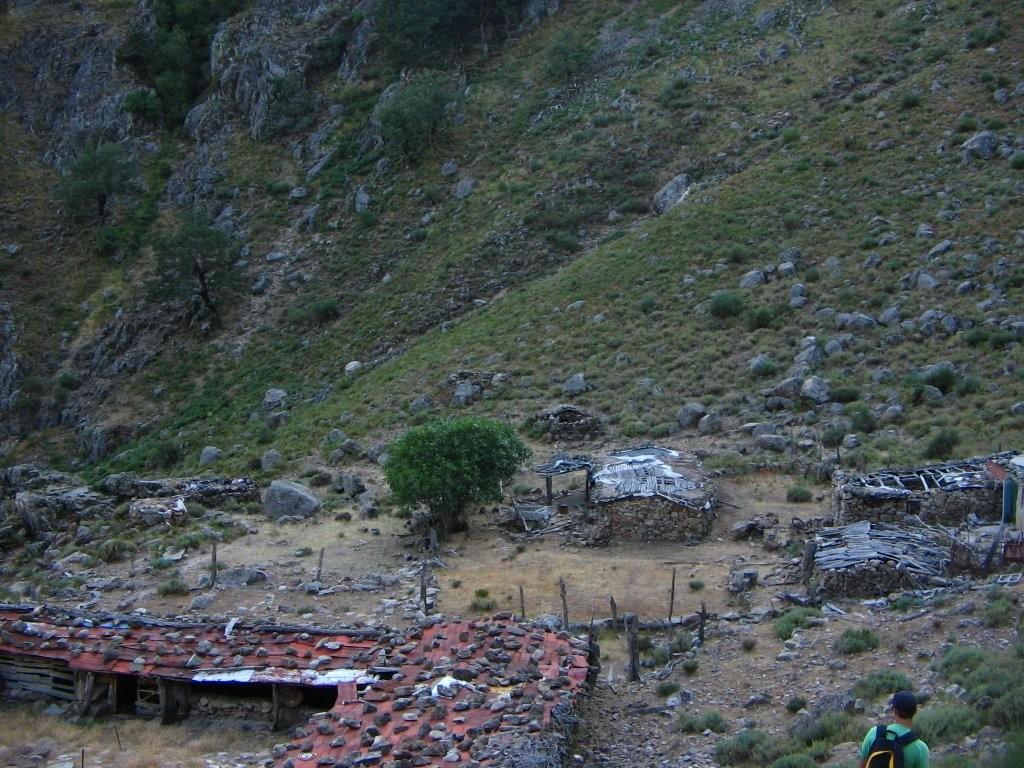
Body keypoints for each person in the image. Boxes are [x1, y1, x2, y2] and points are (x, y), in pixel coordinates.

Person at [859, 691, 929, 768]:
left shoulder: (874, 733)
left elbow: (862, 765)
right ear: (915, 712)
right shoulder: (920, 748)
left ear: (894, 711)